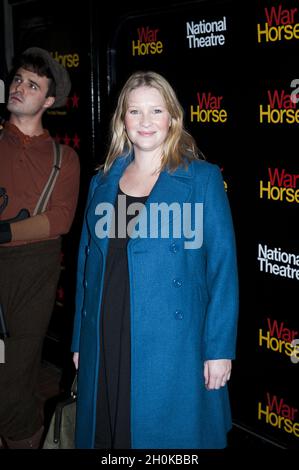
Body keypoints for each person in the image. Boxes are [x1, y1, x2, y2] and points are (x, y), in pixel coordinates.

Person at [72, 70, 238, 449]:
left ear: (172, 118)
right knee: (109, 433)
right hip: (107, 329)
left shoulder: (201, 179)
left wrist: (219, 349)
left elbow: (223, 268)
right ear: (122, 120)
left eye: (156, 111)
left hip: (173, 342)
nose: (145, 122)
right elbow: (87, 264)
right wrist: (81, 340)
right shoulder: (103, 181)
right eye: (135, 112)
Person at [0, 47, 80, 449]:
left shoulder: (63, 158)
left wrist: (7, 234)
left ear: (49, 101)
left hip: (32, 275)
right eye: (17, 79)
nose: (19, 88)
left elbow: (61, 219)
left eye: (33, 84)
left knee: (14, 379)